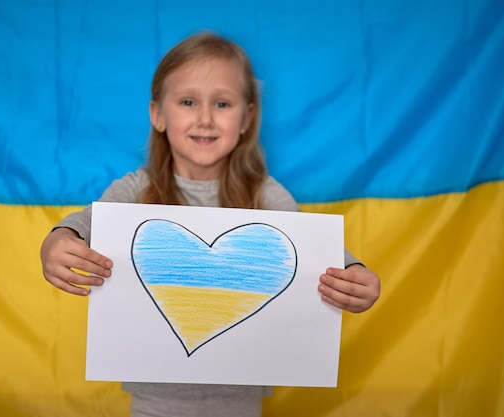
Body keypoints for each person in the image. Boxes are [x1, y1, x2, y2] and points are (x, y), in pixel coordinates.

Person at [40, 32, 380, 417]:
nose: (205, 118)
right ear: (158, 115)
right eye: (188, 102)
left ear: (247, 117)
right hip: (152, 403)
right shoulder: (137, 189)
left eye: (222, 103)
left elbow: (316, 256)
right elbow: (86, 222)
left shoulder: (267, 196)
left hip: (241, 403)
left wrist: (354, 273)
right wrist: (59, 239)